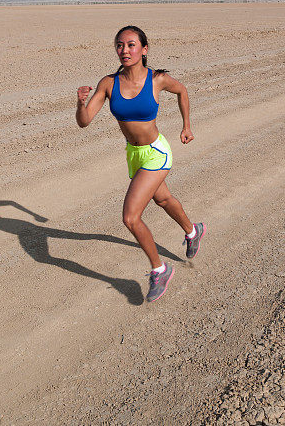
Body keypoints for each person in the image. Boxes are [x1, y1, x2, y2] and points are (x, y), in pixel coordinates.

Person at [76, 25, 205, 302]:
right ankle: (193, 231)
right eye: (120, 45)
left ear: (144, 50)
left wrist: (186, 126)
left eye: (131, 45)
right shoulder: (108, 83)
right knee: (163, 200)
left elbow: (182, 92)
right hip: (134, 155)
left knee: (130, 217)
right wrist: (80, 103)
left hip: (157, 152)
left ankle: (160, 269)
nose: (125, 50)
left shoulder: (157, 80)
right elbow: (84, 121)